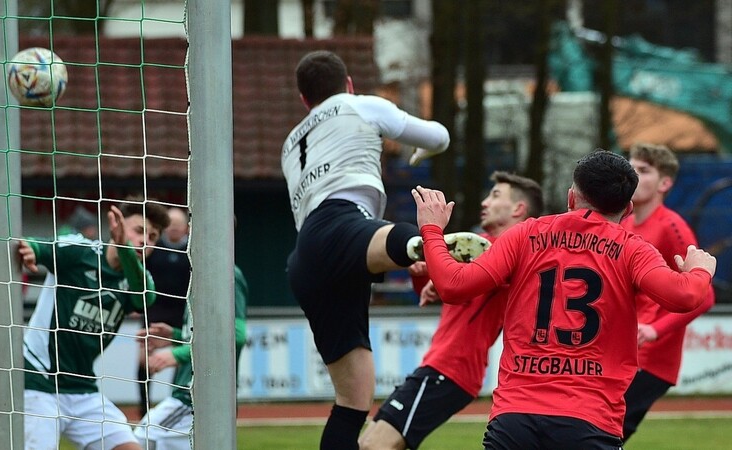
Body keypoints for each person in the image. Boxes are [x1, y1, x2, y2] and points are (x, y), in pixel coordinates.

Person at [412, 150, 716, 449]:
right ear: (628, 210)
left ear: (571, 197)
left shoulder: (525, 234)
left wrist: (432, 229)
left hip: (515, 416)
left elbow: (452, 284)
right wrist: (700, 271)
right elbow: (686, 296)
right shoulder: (633, 249)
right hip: (590, 418)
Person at [281, 50, 487, 450]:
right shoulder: (360, 105)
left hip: (306, 260)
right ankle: (418, 244)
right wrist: (421, 152)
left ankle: (412, 247)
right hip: (340, 224)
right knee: (393, 232)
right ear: (349, 84)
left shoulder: (290, 144)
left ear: (304, 100)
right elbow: (439, 136)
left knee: (353, 400)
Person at [359, 172, 543, 450]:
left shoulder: (515, 253)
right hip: (442, 367)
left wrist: (435, 252)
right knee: (366, 443)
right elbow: (445, 287)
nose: (484, 202)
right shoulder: (479, 246)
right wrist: (423, 272)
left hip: (452, 369)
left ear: (519, 209)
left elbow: (460, 277)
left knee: (374, 446)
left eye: (495, 196)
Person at [18, 197, 170, 450]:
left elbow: (146, 297)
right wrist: (30, 249)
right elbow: (38, 246)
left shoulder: (139, 280)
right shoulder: (79, 251)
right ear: (116, 225)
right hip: (38, 381)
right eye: (139, 230)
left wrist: (124, 247)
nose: (146, 241)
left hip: (82, 389)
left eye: (153, 237)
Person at [621, 143, 715, 441]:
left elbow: (704, 296)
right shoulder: (624, 222)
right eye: (630, 167)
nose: (633, 175)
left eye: (643, 170)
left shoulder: (672, 226)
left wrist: (654, 330)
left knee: (601, 434)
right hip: (623, 351)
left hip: (650, 360)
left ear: (665, 183)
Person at [134, 263, 249, 449]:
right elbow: (206, 335)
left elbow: (236, 336)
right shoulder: (201, 272)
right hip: (197, 396)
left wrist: (179, 354)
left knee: (143, 437)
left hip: (198, 397)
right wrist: (176, 336)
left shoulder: (225, 273)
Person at [136, 207, 190, 417]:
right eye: (171, 225)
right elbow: (139, 274)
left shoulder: (192, 250)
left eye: (178, 225)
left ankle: (175, 402)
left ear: (185, 228)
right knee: (143, 360)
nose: (175, 229)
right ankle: (143, 406)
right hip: (154, 310)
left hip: (181, 312)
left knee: (181, 358)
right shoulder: (153, 249)